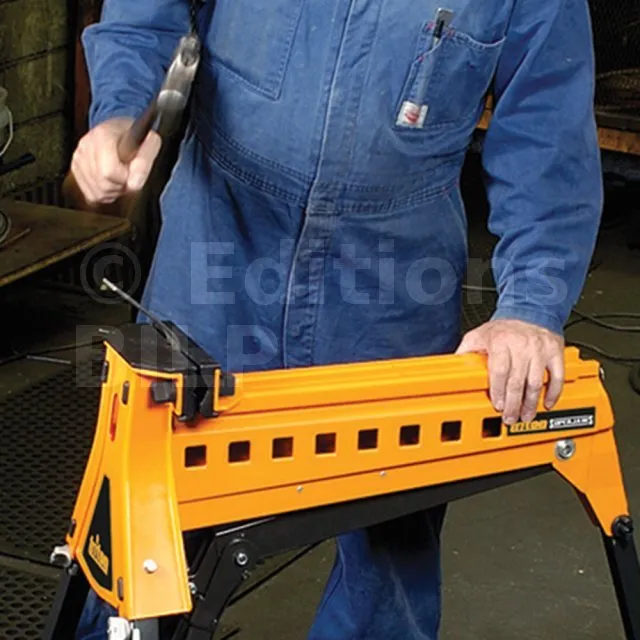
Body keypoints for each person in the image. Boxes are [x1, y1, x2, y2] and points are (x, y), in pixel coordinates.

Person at [71, 0, 603, 637]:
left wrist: (530, 307)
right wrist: (118, 111)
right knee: (140, 530)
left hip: (394, 276)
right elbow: (141, 15)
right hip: (220, 238)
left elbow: (547, 125)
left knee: (389, 549)